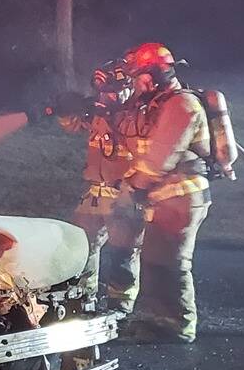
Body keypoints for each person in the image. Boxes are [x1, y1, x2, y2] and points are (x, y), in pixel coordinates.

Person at [101, 41, 212, 343]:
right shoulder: (158, 105)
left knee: (171, 262)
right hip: (164, 198)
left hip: (183, 196)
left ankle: (179, 326)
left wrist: (134, 186)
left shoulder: (181, 105)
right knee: (154, 258)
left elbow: (160, 158)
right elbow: (130, 135)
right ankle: (159, 319)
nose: (136, 84)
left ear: (151, 75)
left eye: (138, 76)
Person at [42, 62, 134, 263]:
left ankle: (122, 296)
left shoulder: (137, 116)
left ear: (128, 88)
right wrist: (66, 108)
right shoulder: (97, 113)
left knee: (123, 257)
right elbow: (71, 125)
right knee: (80, 247)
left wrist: (110, 115)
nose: (104, 98)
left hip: (123, 197)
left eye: (111, 92)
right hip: (94, 194)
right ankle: (84, 293)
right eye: (101, 92)